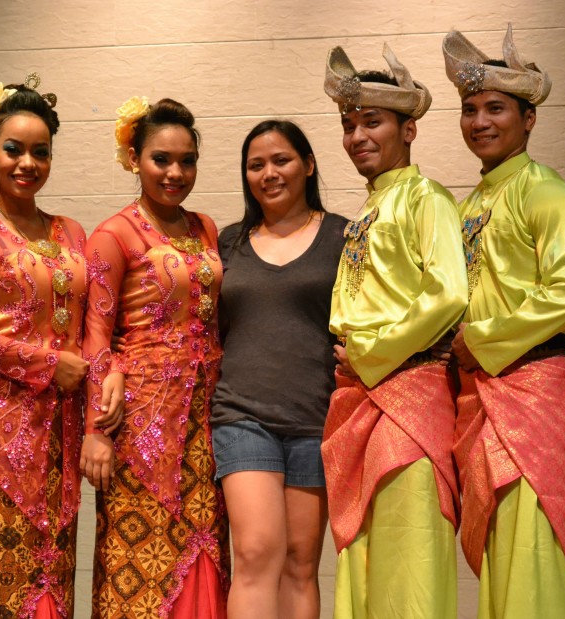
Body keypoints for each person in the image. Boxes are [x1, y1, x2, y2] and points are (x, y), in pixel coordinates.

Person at [441, 26, 565, 619]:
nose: (480, 121)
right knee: (499, 540)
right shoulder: (463, 207)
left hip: (533, 384)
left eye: (496, 108)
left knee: (529, 537)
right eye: (470, 109)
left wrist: (477, 341)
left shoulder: (546, 191)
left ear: (529, 119)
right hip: (477, 392)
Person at [320, 44, 468, 618]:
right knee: (364, 555)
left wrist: (372, 350)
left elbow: (450, 293)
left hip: (408, 389)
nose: (357, 136)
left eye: (372, 122)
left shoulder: (426, 198)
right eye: (348, 124)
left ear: (409, 129)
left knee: (407, 554)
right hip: (359, 391)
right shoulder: (369, 207)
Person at [0, 74, 89, 619]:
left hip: (62, 427)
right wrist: (48, 363)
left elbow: (91, 320)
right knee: (3, 574)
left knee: (55, 567)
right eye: (13, 150)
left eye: (40, 152)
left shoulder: (72, 233)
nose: (27, 163)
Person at [80, 96, 230, 618]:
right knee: (139, 555)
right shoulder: (113, 234)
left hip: (206, 420)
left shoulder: (204, 228)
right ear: (134, 159)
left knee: (204, 547)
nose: (175, 172)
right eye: (161, 159)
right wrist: (96, 431)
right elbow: (95, 333)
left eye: (187, 160)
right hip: (140, 419)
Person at [211, 120, 347, 619]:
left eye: (281, 160)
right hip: (242, 416)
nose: (269, 173)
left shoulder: (344, 236)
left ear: (308, 165)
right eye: (256, 165)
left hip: (316, 418)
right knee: (255, 552)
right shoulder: (229, 243)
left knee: (299, 562)